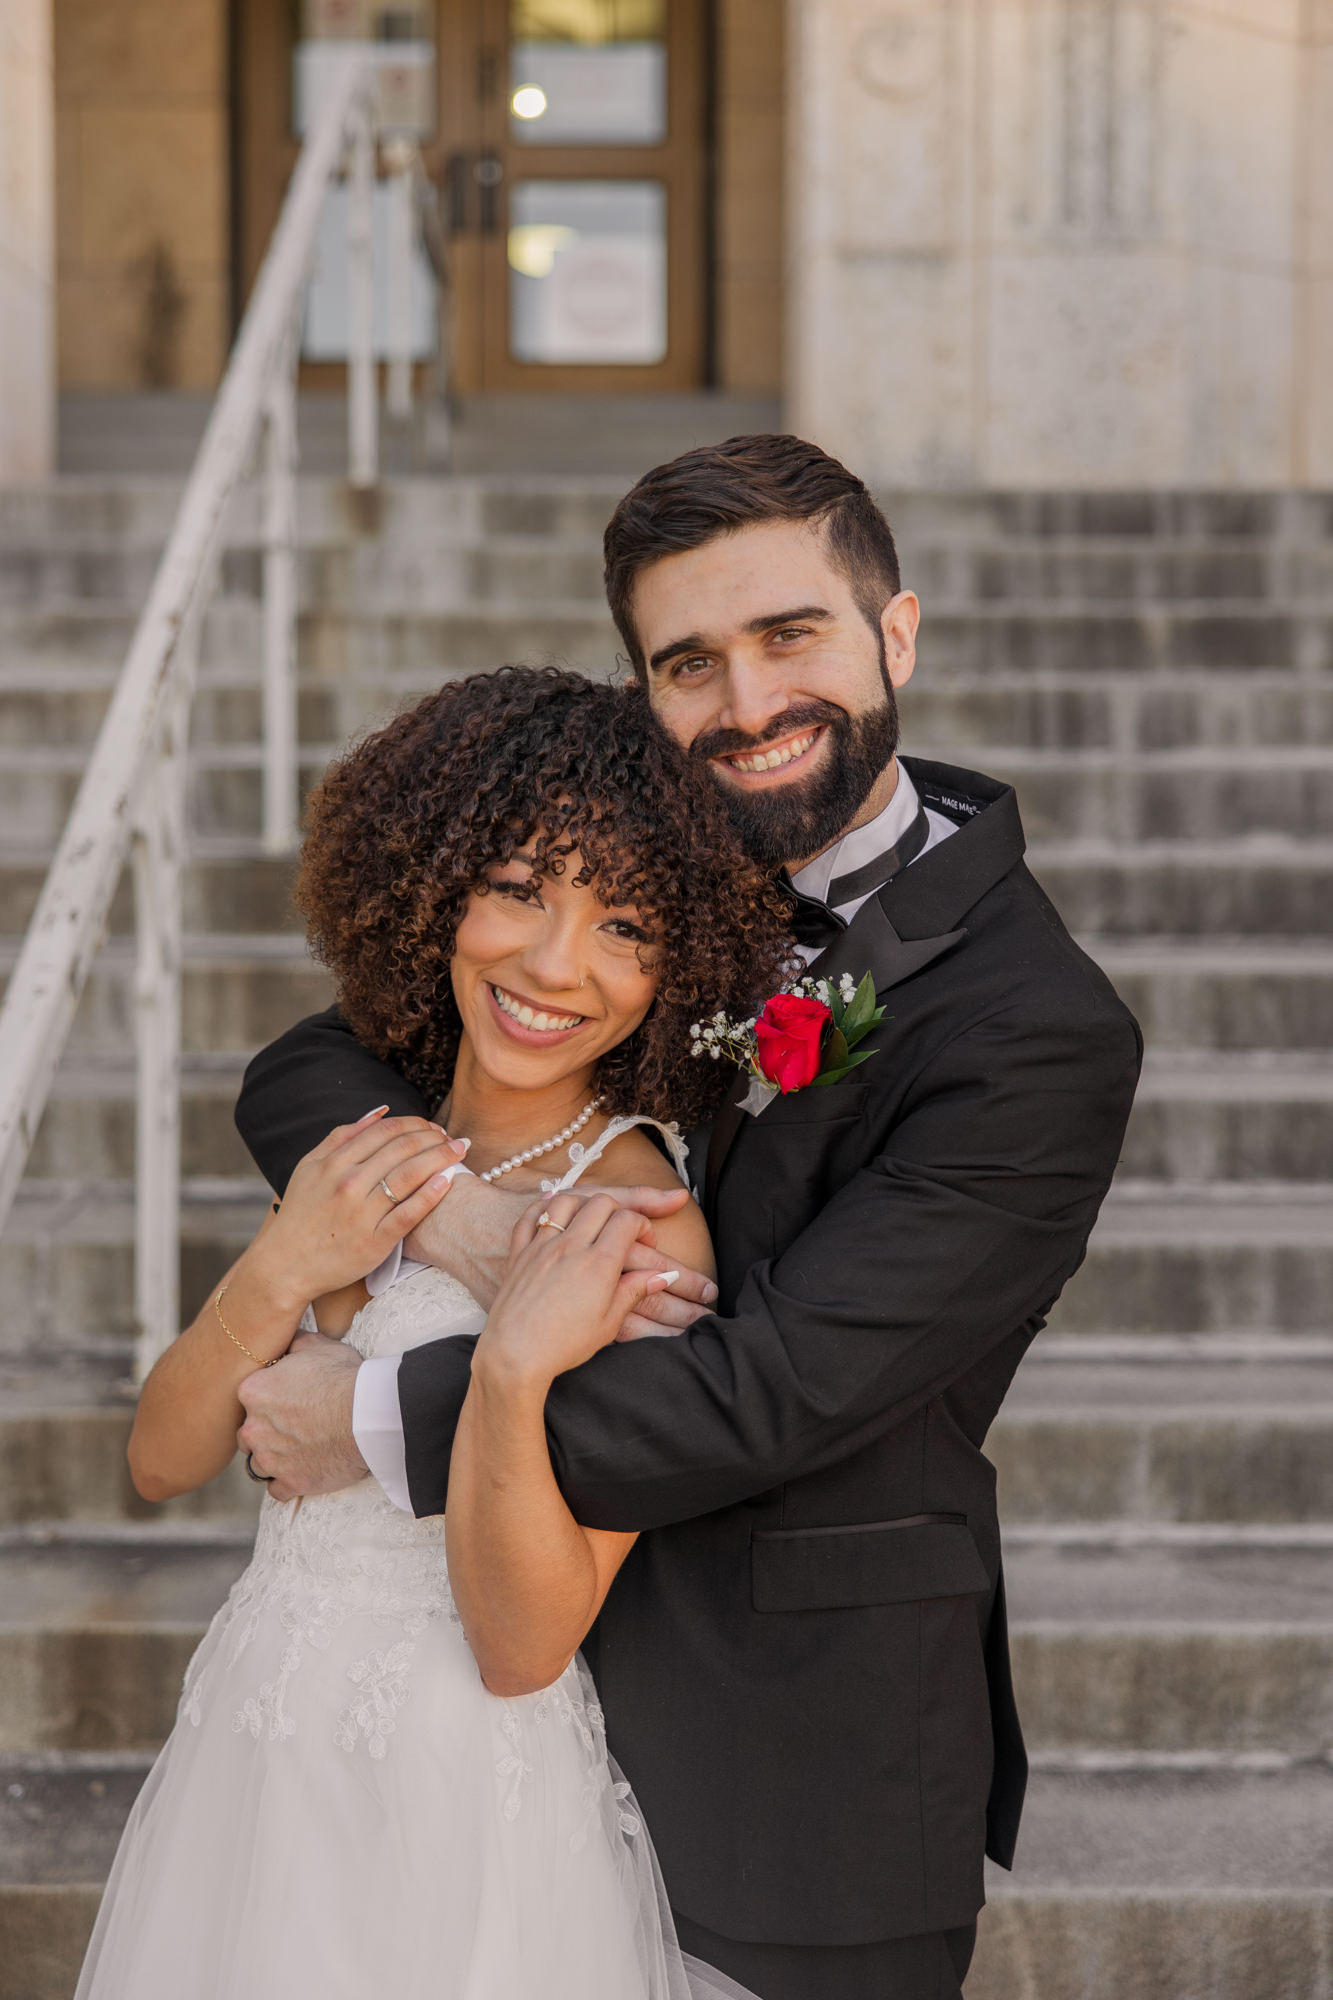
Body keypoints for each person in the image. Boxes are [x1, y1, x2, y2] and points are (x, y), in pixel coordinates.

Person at [235, 435, 1144, 2000]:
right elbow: (306, 1065)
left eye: (789, 635)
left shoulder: (1034, 1027)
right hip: (487, 1733)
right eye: (687, 663)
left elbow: (773, 1384)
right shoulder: (631, 889)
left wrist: (380, 1413)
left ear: (894, 634)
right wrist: (451, 1222)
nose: (744, 704)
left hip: (791, 1755)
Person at [74, 668, 792, 2000]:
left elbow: (526, 1645)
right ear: (431, 882)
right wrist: (286, 1259)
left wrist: (513, 1368)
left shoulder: (634, 1223)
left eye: (624, 924)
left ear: (679, 959)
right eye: (518, 888)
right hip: (253, 1740)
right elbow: (162, 1459)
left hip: (454, 1785)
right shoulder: (368, 1146)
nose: (553, 963)